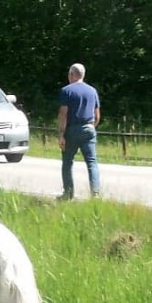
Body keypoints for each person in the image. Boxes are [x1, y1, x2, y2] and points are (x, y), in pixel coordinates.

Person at [57, 63, 101, 200]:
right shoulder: (92, 91)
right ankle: (95, 194)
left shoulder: (66, 91)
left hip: (72, 129)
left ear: (71, 75)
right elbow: (97, 115)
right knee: (92, 162)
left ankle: (68, 194)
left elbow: (63, 114)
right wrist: (91, 126)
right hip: (89, 128)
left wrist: (61, 135)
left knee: (67, 162)